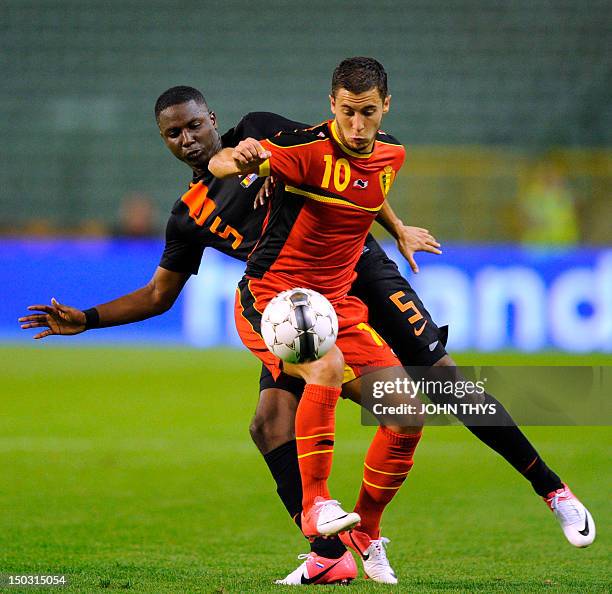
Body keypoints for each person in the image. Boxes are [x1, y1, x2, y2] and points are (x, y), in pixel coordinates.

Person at [19, 70, 595, 584]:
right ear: (165, 141)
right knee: (269, 424)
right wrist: (88, 319)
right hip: (296, 302)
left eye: (194, 125)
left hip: (358, 267)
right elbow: (158, 294)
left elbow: (347, 158)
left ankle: (552, 489)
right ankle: (327, 549)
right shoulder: (189, 213)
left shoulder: (262, 129)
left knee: (443, 380)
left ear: (212, 118)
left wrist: (394, 227)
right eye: (174, 134)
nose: (187, 139)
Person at [210, 56, 429, 585]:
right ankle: (316, 505)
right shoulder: (303, 150)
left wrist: (397, 227)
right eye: (348, 112)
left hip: (338, 308)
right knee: (325, 368)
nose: (358, 127)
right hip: (272, 301)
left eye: (369, 114)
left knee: (408, 412)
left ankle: (364, 532)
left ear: (386, 108)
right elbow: (220, 165)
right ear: (332, 104)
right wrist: (237, 158)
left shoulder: (392, 153)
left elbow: (367, 189)